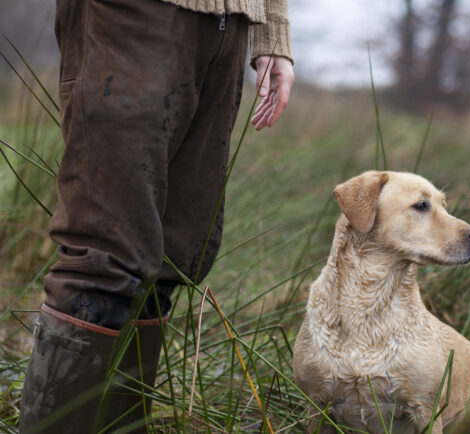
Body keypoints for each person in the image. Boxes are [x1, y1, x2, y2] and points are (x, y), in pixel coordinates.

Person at [19, 0, 294, 432]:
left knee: (170, 261)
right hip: (132, 15)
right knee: (104, 259)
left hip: (230, 21)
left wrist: (271, 29)